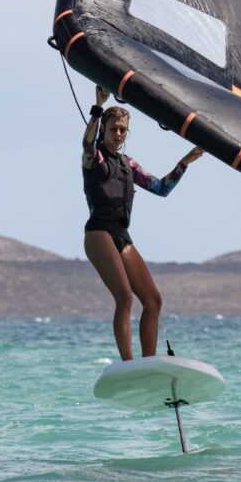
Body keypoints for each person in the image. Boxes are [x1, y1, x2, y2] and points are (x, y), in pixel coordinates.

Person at [82, 85, 203, 361]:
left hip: (121, 235)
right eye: (113, 129)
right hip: (98, 232)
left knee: (153, 300)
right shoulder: (94, 158)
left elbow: (161, 188)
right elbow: (87, 143)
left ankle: (148, 364)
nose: (118, 134)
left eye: (123, 130)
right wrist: (98, 107)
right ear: (104, 130)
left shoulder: (128, 164)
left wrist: (186, 161)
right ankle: (128, 363)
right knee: (124, 297)